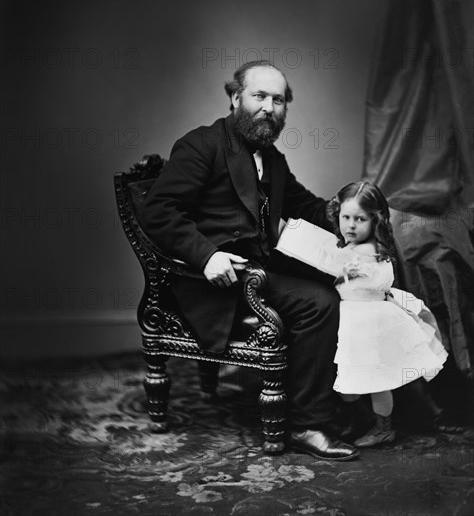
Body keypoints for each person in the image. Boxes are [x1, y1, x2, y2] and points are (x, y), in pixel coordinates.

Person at [142, 60, 359, 461]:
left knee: (339, 283)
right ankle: (306, 425)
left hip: (258, 269)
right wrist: (206, 255)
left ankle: (334, 401)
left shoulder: (270, 156)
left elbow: (305, 204)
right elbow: (158, 211)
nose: (268, 107)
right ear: (235, 97)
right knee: (319, 304)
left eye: (278, 100)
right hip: (212, 280)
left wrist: (351, 220)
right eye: (259, 96)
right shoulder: (201, 145)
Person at [326, 181, 449, 447]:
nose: (351, 225)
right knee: (350, 380)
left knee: (377, 381)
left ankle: (384, 428)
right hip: (349, 322)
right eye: (345, 217)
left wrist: (347, 272)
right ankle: (359, 418)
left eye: (360, 219)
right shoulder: (347, 248)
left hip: (370, 323)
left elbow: (380, 280)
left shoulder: (373, 251)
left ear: (375, 219)